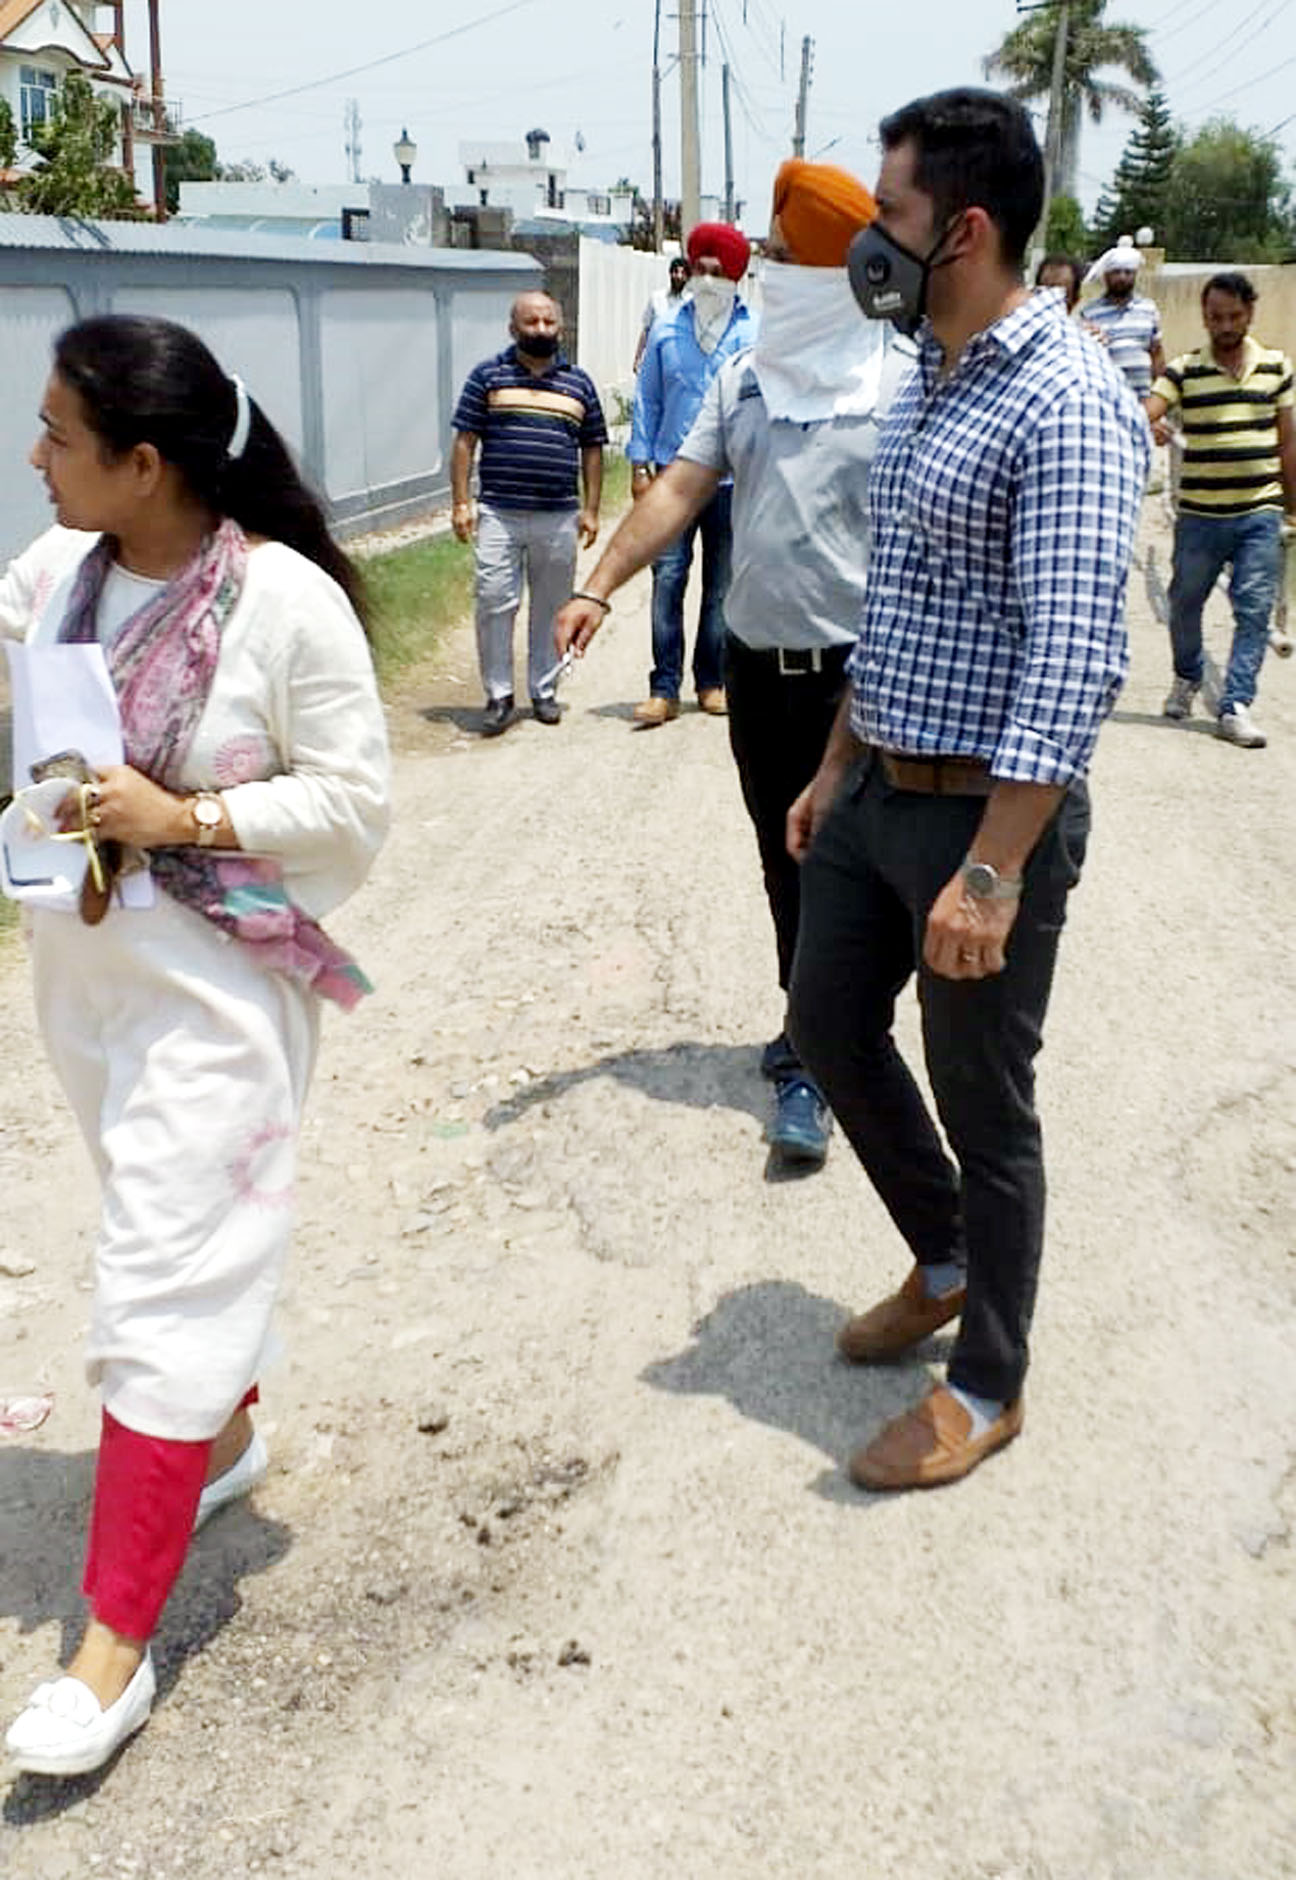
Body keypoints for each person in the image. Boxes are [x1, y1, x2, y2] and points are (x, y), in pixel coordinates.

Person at [0, 313, 390, 1777]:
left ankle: (110, 1655)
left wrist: (191, 819)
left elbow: (354, 805)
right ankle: (224, 1443)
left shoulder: (284, 605)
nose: (32, 456)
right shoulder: (53, 583)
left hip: (222, 999)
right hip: (86, 985)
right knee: (161, 1235)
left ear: (146, 462)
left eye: (56, 434)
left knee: (160, 1281)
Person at [789, 89, 1148, 1491]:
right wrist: (833, 766)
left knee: (988, 1103)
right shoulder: (932, 368)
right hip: (877, 784)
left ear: (969, 229)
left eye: (890, 217)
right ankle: (943, 1257)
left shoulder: (1067, 398)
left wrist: (992, 872)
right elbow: (904, 604)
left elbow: (1071, 660)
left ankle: (989, 1378)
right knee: (825, 1025)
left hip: (979, 821)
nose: (871, 242)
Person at [556, 161, 912, 1171]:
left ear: (836, 273)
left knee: (856, 875)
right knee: (786, 859)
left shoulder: (900, 382)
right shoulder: (744, 379)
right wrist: (598, 585)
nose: (765, 273)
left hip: (864, 681)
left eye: (784, 260)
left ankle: (828, 1050)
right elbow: (676, 490)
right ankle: (816, 1037)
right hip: (762, 677)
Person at [1145, 271, 1295, 749]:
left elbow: (1287, 440)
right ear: (1204, 317)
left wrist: (1292, 508)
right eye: (1214, 317)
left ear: (1249, 313)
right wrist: (1152, 424)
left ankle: (1235, 705)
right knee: (1185, 601)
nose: (1224, 325)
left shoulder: (1277, 367)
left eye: (1232, 316)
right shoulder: (1185, 370)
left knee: (1253, 610)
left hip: (1259, 511)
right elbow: (1149, 407)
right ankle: (1188, 674)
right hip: (1200, 516)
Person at [451, 290, 607, 736]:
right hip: (499, 512)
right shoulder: (487, 376)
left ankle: (544, 690)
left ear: (561, 327)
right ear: (512, 328)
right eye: (531, 322)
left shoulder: (579, 383)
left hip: (558, 516)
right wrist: (462, 503)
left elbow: (592, 448)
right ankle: (498, 694)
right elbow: (465, 442)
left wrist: (592, 509)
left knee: (553, 608)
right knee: (494, 601)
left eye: (548, 322)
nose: (541, 330)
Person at [628, 221, 756, 725]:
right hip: (671, 478)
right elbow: (647, 401)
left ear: (735, 277)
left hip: (732, 482)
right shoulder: (665, 330)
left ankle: (711, 681)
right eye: (699, 268)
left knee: (721, 585)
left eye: (716, 271)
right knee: (668, 580)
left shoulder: (755, 333)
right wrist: (640, 466)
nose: (705, 278)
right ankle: (663, 688)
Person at [1082, 236, 1164, 397]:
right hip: (1107, 399)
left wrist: (1160, 392)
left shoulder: (1148, 309)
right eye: (1117, 272)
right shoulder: (1090, 313)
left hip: (1143, 399)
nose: (1122, 277)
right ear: (1106, 276)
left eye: (1128, 272)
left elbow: (1157, 353)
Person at [633, 255, 691, 374]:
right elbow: (646, 330)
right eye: (675, 272)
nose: (679, 276)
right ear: (670, 274)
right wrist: (637, 358)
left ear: (687, 278)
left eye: (683, 273)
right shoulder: (656, 298)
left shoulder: (691, 303)